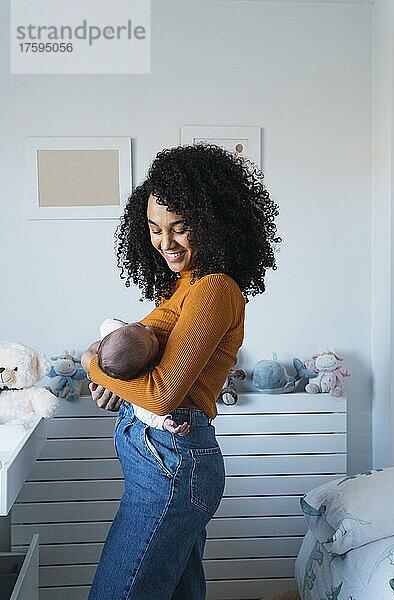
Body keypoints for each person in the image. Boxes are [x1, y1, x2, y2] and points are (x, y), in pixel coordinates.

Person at [83, 143, 280, 600]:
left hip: (170, 465)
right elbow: (120, 350)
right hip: (162, 463)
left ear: (213, 225)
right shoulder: (182, 287)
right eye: (154, 230)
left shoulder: (214, 289)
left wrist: (93, 368)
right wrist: (109, 374)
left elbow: (162, 393)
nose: (165, 244)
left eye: (180, 229)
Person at [82, 318, 190, 435]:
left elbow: (108, 325)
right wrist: (164, 422)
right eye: (151, 338)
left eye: (139, 326)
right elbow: (146, 412)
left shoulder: (117, 339)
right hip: (135, 428)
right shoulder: (143, 384)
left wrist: (125, 327)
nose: (148, 328)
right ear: (146, 366)